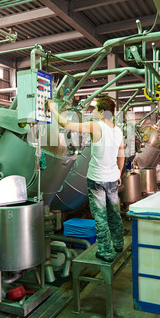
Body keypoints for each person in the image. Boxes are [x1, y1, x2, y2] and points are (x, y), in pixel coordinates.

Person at [48, 96, 125, 262]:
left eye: (96, 109)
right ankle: (118, 243)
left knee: (100, 216)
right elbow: (122, 154)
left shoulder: (96, 126)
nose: (93, 112)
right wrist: (118, 173)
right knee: (114, 213)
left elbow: (66, 124)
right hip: (112, 178)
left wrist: (53, 108)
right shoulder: (118, 131)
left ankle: (105, 251)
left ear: (103, 112)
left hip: (97, 179)